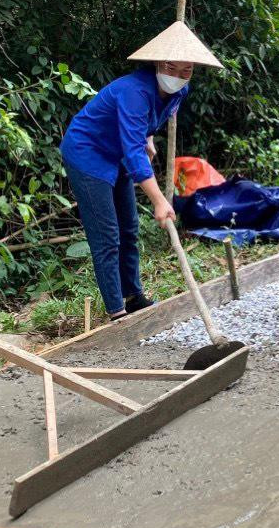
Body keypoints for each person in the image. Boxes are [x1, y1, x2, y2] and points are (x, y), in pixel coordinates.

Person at [60, 22, 222, 321]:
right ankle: (117, 312)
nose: (179, 77)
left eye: (187, 71)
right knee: (107, 235)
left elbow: (147, 125)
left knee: (129, 229)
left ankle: (134, 297)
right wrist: (160, 200)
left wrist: (148, 136)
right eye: (174, 69)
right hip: (87, 154)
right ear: (161, 63)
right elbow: (134, 153)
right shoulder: (134, 91)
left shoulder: (178, 92)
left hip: (118, 153)